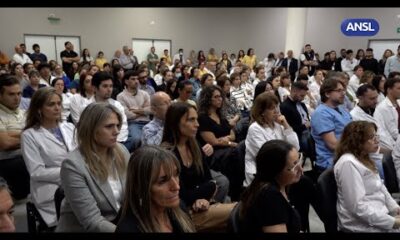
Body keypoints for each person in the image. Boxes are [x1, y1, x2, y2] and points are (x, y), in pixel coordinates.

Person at [56, 103, 130, 232]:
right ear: (91, 129)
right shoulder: (73, 165)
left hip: (119, 223)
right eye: (109, 126)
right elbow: (92, 221)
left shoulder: (122, 151)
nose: (117, 131)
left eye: (117, 125)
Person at [161, 102, 235, 232]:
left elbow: (207, 179)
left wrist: (204, 199)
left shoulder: (194, 147)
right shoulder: (167, 154)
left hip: (200, 207)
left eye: (196, 119)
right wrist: (206, 191)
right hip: (181, 214)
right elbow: (180, 195)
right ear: (176, 123)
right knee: (243, 210)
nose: (197, 124)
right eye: (191, 120)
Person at [21, 87, 76, 228]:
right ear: (39, 109)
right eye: (51, 104)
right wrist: (70, 171)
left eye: (59, 103)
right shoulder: (29, 135)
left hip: (76, 180)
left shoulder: (69, 127)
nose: (57, 108)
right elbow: (36, 172)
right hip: (50, 188)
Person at [334, 121, 400, 232]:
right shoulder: (348, 164)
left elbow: (381, 188)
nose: (377, 140)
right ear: (357, 141)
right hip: (360, 225)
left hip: (378, 214)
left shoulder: (364, 158)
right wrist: (392, 222)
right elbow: (358, 208)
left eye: (376, 136)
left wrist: (395, 208)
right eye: (371, 137)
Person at [116, 145, 195, 232]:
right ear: (140, 188)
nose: (176, 186)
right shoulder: (128, 229)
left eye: (176, 174)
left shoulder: (180, 208)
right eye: (162, 181)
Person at [240, 140, 302, 233]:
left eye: (299, 161)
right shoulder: (269, 197)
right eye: (294, 166)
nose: (301, 170)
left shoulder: (283, 185)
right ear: (275, 171)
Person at [0, 74, 30, 200]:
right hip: (8, 161)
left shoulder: (25, 113)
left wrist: (11, 133)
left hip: (28, 154)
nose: (17, 98)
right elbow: (5, 143)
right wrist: (28, 135)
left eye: (19, 93)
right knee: (21, 164)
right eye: (11, 94)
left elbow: (40, 133)